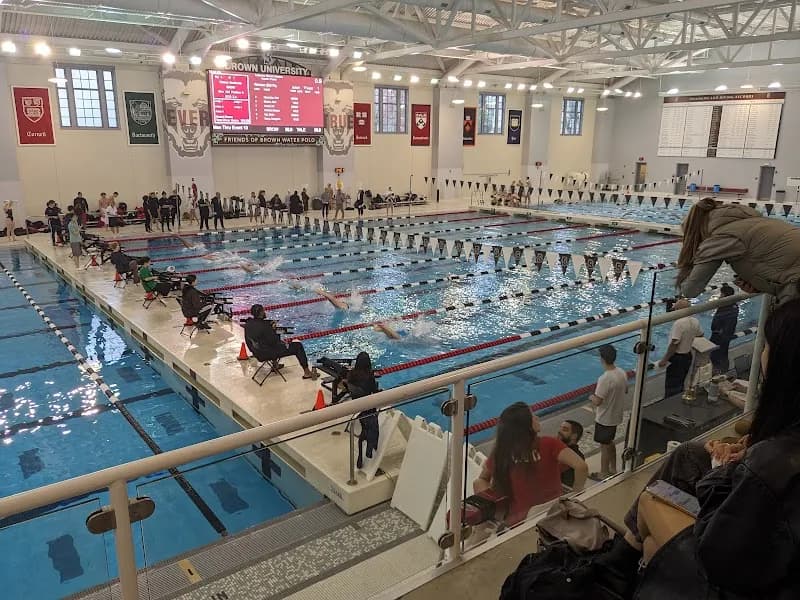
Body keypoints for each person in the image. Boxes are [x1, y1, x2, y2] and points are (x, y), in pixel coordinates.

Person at [621, 298, 800, 599]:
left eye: (767, 345)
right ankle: (623, 556)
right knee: (688, 453)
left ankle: (618, 561)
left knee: (651, 504)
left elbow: (717, 555)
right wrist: (743, 452)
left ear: (787, 363)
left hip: (736, 578)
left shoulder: (772, 462)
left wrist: (724, 470)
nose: (763, 353)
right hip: (773, 557)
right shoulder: (780, 444)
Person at [474, 402, 587, 525]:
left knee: (477, 483)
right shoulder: (550, 443)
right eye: (533, 416)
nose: (537, 417)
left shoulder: (500, 453)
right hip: (555, 514)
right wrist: (576, 495)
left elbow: (482, 480)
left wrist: (492, 507)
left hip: (518, 522)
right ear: (525, 424)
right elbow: (581, 466)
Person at [677, 197, 800, 305]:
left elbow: (690, 290)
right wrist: (757, 284)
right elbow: (776, 259)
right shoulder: (751, 222)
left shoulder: (722, 238)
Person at [243, 304, 319, 380]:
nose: (265, 312)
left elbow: (259, 337)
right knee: (298, 346)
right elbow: (275, 341)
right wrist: (275, 330)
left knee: (268, 342)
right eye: (263, 311)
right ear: (261, 313)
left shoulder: (248, 324)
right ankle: (307, 373)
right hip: (266, 354)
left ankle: (275, 365)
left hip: (256, 353)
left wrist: (273, 329)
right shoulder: (265, 326)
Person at [589, 344, 628, 480]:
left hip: (605, 418)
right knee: (610, 441)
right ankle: (613, 468)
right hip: (616, 416)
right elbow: (626, 390)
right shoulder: (622, 372)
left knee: (604, 446)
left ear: (602, 358)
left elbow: (598, 401)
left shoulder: (605, 378)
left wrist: (591, 397)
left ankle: (603, 473)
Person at [658, 298, 703, 399]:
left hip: (677, 358)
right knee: (681, 382)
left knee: (672, 385)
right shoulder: (695, 321)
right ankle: (678, 401)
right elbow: (701, 334)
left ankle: (669, 404)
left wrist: (664, 359)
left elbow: (674, 344)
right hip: (688, 356)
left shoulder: (679, 323)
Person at [709, 283, 739, 374]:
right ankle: (724, 373)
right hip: (726, 335)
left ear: (725, 295)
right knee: (723, 354)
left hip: (719, 335)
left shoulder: (725, 306)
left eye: (721, 294)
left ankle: (718, 375)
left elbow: (717, 322)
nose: (720, 296)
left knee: (715, 355)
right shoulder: (734, 306)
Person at [557, 420, 585, 488]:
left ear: (574, 436)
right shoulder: (557, 449)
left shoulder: (575, 458)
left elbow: (567, 486)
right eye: (560, 428)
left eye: (564, 429)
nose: (559, 432)